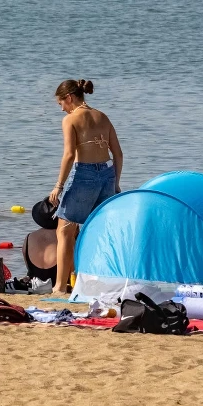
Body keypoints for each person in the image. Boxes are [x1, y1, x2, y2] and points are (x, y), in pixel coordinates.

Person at [48, 79, 123, 294]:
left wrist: (58, 186)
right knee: (99, 232)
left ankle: (60, 287)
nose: (61, 108)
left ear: (69, 98)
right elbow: (118, 153)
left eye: (61, 103)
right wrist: (115, 182)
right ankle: (99, 282)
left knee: (64, 231)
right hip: (107, 175)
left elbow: (70, 155)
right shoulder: (102, 117)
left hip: (85, 174)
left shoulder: (71, 119)